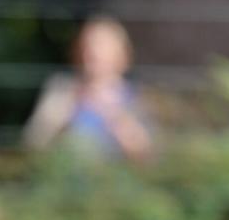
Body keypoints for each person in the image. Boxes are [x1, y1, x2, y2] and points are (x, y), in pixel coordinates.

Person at [23, 18, 152, 161]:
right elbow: (33, 143)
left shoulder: (135, 97)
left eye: (101, 45)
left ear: (120, 52)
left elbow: (149, 158)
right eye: (88, 45)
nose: (92, 52)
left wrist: (114, 117)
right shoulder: (62, 89)